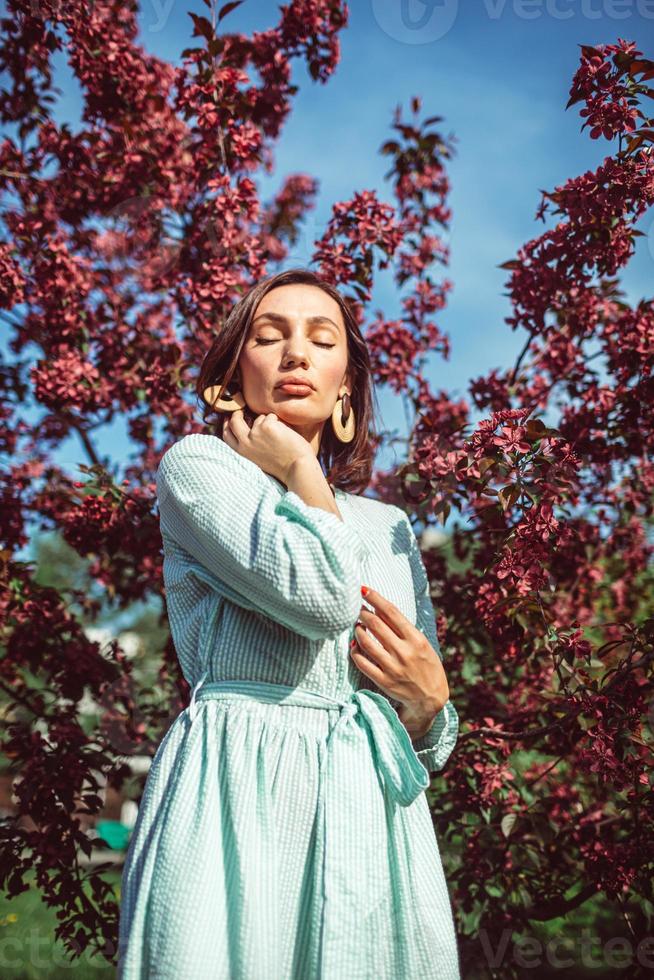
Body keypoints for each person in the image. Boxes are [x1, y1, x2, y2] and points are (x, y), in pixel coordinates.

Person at [117, 267, 461, 978]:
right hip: (239, 799)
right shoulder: (199, 470)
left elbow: (422, 751)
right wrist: (303, 468)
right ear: (231, 379)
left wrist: (432, 710)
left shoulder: (389, 525)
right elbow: (324, 597)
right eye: (268, 337)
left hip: (373, 813)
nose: (295, 353)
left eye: (321, 339)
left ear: (345, 387)